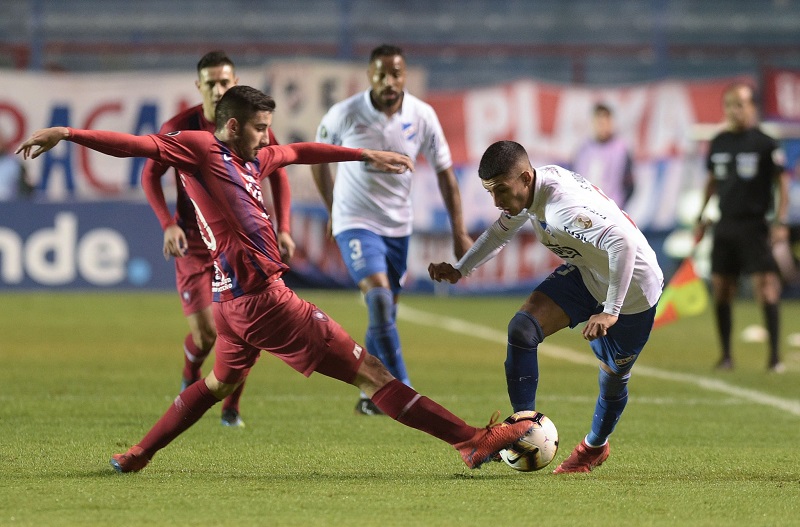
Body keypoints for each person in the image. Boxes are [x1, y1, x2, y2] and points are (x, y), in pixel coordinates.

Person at [17, 86, 533, 474]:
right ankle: (470, 440)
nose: (268, 137)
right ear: (235, 124)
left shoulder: (251, 158)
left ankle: (138, 454)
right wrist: (66, 133)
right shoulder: (198, 149)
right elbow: (136, 147)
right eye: (261, 126)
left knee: (217, 383)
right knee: (372, 374)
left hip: (234, 306)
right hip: (266, 303)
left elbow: (300, 153)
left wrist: (365, 156)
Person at [429, 140, 664, 474]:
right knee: (522, 329)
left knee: (612, 379)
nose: (496, 201)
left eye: (500, 191)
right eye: (490, 192)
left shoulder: (561, 208)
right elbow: (500, 232)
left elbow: (622, 241)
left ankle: (594, 447)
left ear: (525, 178)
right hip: (588, 273)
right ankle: (523, 428)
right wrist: (461, 269)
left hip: (632, 292)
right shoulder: (533, 187)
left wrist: (611, 310)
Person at [311, 44, 473, 415]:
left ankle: (372, 394)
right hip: (355, 221)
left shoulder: (422, 116)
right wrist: (332, 206)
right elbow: (316, 157)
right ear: (369, 75)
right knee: (380, 299)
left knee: (384, 312)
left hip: (398, 226)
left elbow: (446, 173)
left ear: (405, 76)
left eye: (395, 74)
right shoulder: (346, 114)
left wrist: (459, 230)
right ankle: (404, 391)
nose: (388, 81)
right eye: (381, 74)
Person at [141, 50, 295, 428]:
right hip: (194, 242)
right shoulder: (180, 126)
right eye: (210, 82)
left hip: (240, 245)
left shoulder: (252, 124)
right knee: (207, 333)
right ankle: (190, 374)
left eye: (224, 81)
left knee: (252, 324)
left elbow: (280, 173)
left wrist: (285, 227)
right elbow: (149, 175)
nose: (218, 88)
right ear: (199, 86)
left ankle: (231, 408)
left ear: (234, 81)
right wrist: (167, 224)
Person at [694, 82, 790, 373]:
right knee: (722, 289)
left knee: (767, 288)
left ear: (752, 107)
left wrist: (780, 221)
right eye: (730, 105)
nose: (736, 110)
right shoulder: (719, 141)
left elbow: (781, 184)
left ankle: (774, 358)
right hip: (725, 225)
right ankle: (725, 356)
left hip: (755, 225)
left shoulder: (764, 143)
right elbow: (712, 182)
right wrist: (702, 215)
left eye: (742, 104)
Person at [571, 103, 635, 209]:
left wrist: (618, 207)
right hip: (585, 210)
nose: (602, 126)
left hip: (611, 211)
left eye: (606, 122)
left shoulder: (621, 150)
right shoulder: (583, 150)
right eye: (599, 123)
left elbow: (630, 185)